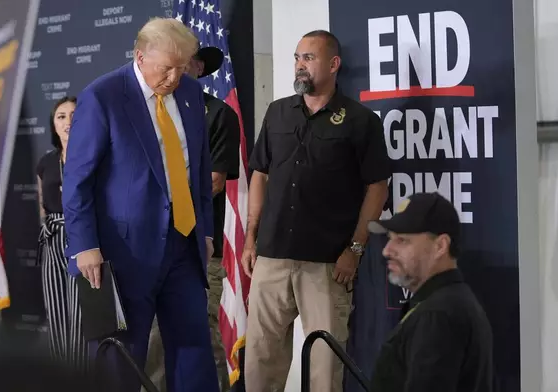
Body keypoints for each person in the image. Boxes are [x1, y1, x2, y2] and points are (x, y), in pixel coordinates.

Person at [62, 17, 219, 392]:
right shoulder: (103, 96)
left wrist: (207, 230)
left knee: (194, 349)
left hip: (184, 244)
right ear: (140, 55)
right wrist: (85, 245)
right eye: (167, 68)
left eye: (182, 68)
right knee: (122, 357)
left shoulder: (191, 94)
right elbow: (78, 180)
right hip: (124, 251)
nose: (174, 77)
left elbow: (199, 169)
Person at [242, 30, 391, 392]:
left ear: (333, 64)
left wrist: (355, 250)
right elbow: (259, 174)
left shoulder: (360, 121)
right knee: (260, 364)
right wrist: (250, 238)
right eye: (297, 57)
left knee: (324, 370)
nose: (300, 65)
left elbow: (378, 187)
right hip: (271, 257)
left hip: (327, 265)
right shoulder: (277, 113)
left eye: (308, 57)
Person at [144, 46, 240, 392]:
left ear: (198, 69)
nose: (176, 71)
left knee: (202, 334)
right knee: (152, 338)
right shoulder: (151, 111)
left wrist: (155, 197)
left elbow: (212, 182)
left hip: (200, 247)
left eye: (185, 64)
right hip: (151, 248)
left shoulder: (218, 114)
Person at [367, 192, 494, 392]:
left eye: (402, 240)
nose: (387, 250)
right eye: (389, 239)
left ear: (440, 246)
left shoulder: (438, 315)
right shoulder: (445, 304)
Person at [36, 96, 88, 372]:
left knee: (81, 313)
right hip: (53, 237)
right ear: (53, 125)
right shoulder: (46, 162)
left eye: (73, 115)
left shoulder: (96, 154)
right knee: (56, 312)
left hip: (84, 237)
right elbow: (41, 203)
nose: (68, 121)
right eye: (61, 116)